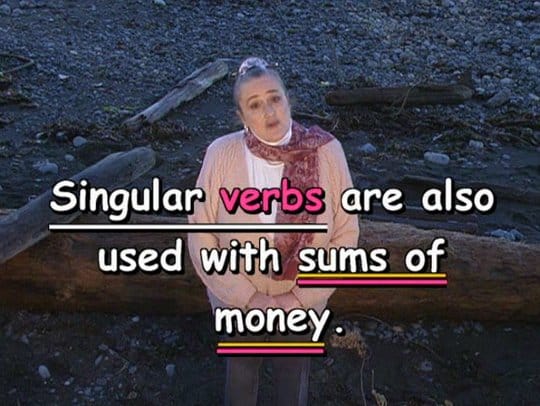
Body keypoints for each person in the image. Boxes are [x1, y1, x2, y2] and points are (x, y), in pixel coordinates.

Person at [188, 57, 359, 406]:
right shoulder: (220, 154)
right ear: (241, 116)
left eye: (274, 98)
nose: (268, 111)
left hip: (303, 304)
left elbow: (346, 233)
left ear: (288, 99)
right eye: (254, 104)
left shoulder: (328, 152)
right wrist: (247, 299)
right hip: (237, 302)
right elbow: (201, 234)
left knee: (292, 382)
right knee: (240, 377)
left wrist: (298, 300)